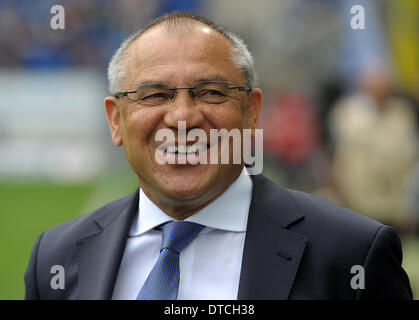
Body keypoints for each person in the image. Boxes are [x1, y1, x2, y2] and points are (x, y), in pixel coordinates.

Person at [24, 11, 412, 300]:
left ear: (252, 112)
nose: (182, 117)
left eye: (211, 92)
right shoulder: (55, 259)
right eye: (155, 95)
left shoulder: (351, 253)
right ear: (115, 120)